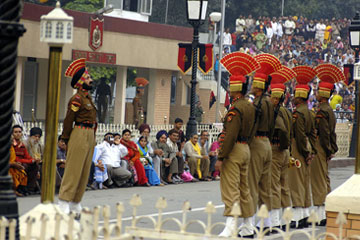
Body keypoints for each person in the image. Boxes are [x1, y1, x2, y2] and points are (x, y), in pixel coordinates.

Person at [216, 52, 257, 238]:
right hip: (246, 148)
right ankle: (248, 226)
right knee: (244, 187)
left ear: (235, 88)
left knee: (231, 188)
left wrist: (221, 156)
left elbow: (230, 135)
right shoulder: (250, 106)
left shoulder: (236, 108)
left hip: (234, 150)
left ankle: (231, 226)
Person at [58, 58, 97, 215]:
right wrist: (64, 138)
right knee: (74, 169)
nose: (91, 80)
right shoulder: (77, 99)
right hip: (79, 132)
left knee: (84, 170)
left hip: (89, 133)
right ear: (81, 81)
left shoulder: (88, 98)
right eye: (87, 78)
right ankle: (63, 201)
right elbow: (69, 120)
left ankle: (75, 201)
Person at [248, 53, 278, 230]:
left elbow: (252, 125)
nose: (251, 86)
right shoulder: (269, 102)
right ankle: (266, 222)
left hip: (257, 143)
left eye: (253, 83)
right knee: (265, 185)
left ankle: (249, 223)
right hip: (267, 143)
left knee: (253, 183)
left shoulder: (258, 103)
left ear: (259, 86)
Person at [312, 64, 341, 226]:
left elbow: (324, 133)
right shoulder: (328, 109)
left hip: (320, 148)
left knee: (318, 181)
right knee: (324, 179)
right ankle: (327, 211)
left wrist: (327, 149)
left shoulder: (322, 111)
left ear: (322, 94)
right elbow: (331, 133)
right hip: (326, 148)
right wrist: (332, 149)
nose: (315, 93)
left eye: (317, 91)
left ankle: (321, 214)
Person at [289, 66, 317, 229]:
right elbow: (312, 134)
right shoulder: (309, 112)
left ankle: (297, 217)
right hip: (307, 150)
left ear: (299, 97)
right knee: (305, 183)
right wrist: (312, 151)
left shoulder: (297, 114)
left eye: (295, 95)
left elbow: (299, 136)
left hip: (298, 150)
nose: (292, 98)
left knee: (296, 183)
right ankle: (306, 215)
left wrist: (305, 152)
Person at [268, 67, 295, 230]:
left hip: (277, 149)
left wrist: (281, 145)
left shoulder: (276, 111)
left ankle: (275, 220)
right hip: (285, 151)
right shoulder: (287, 111)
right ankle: (287, 217)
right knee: (284, 186)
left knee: (274, 185)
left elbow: (283, 131)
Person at [12, 125, 37, 196]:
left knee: (35, 165)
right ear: (12, 134)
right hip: (14, 163)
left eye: (19, 132)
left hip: (22, 163)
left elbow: (27, 156)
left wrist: (33, 160)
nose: (18, 134)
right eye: (16, 132)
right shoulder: (11, 144)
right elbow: (14, 158)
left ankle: (30, 188)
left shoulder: (22, 145)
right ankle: (20, 188)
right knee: (24, 165)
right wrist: (29, 161)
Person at [24, 127, 43, 194]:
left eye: (38, 137)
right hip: (28, 162)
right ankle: (31, 188)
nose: (37, 138)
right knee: (35, 167)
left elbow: (43, 156)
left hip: (38, 162)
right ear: (30, 136)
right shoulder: (25, 144)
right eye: (35, 136)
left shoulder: (40, 145)